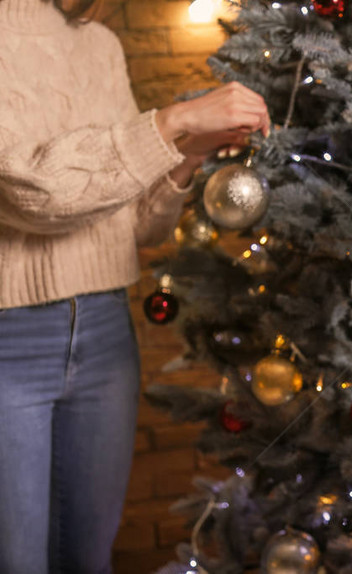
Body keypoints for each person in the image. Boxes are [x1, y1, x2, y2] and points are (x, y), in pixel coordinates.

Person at [0, 0, 270, 572]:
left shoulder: (98, 43)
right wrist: (173, 122)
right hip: (8, 339)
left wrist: (186, 154)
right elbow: (33, 194)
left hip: (103, 332)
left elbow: (140, 224)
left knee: (87, 558)